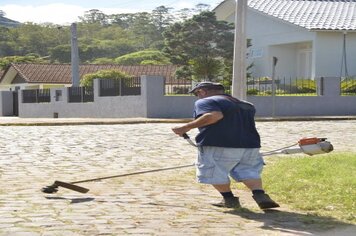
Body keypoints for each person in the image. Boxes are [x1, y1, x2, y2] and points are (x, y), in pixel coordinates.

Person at [172, 81, 280, 209]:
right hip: (250, 145)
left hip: (219, 144)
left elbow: (214, 115)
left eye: (197, 94)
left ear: (202, 91)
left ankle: (229, 199)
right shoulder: (246, 105)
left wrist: (185, 127)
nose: (198, 97)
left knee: (213, 171)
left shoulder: (206, 101)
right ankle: (260, 195)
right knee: (248, 171)